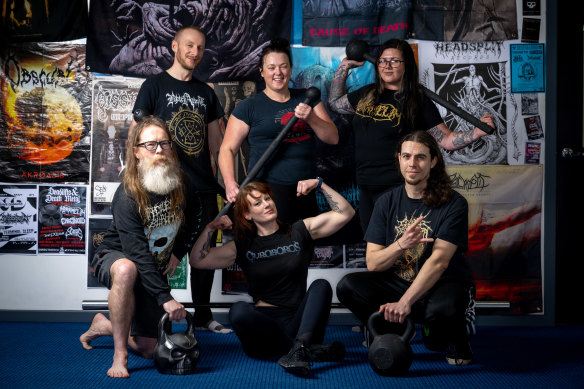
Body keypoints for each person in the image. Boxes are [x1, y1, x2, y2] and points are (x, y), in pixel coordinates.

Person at [336, 130, 477, 366]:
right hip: (400, 281)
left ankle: (457, 335)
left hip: (440, 284)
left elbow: (439, 261)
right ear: (399, 159)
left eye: (420, 157)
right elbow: (374, 263)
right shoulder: (386, 202)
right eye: (407, 156)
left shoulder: (454, 203)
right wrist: (402, 244)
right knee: (348, 286)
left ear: (433, 161)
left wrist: (405, 302)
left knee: (442, 323)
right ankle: (393, 328)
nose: (412, 163)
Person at [189, 178, 355, 377]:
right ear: (247, 214)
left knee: (321, 285)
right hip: (264, 332)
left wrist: (320, 184)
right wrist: (209, 229)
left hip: (301, 325)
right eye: (257, 203)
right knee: (239, 311)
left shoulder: (300, 231)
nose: (267, 204)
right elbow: (198, 261)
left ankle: (299, 348)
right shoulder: (243, 245)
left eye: (267, 199)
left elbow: (346, 213)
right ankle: (301, 350)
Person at [328, 38, 494, 233]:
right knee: (374, 248)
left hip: (399, 188)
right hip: (365, 185)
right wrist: (344, 67)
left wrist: (476, 133)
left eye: (395, 61)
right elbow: (335, 103)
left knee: (401, 250)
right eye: (383, 60)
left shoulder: (417, 101)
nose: (387, 65)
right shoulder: (366, 94)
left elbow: (447, 140)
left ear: (406, 66)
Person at [131, 26, 230, 334]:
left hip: (202, 187)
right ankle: (152, 318)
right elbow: (139, 135)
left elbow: (219, 144)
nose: (194, 52)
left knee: (202, 254)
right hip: (165, 187)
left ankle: (202, 316)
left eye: (200, 47)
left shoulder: (206, 93)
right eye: (189, 45)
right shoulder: (154, 85)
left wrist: (229, 184)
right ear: (174, 46)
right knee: (159, 254)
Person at [79, 116, 191, 378]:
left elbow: (197, 216)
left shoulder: (182, 185)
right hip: (118, 257)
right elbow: (137, 252)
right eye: (151, 145)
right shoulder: (127, 194)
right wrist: (165, 297)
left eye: (164, 143)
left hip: (149, 267)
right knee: (128, 269)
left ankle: (104, 325)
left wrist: (178, 251)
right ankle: (120, 354)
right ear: (137, 151)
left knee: (149, 348)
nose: (160, 150)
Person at [219, 37, 339, 224]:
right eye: (271, 67)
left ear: (291, 69)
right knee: (271, 248)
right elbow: (227, 149)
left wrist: (311, 118)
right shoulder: (248, 107)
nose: (278, 72)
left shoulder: (308, 98)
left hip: (304, 188)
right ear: (261, 72)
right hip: (265, 192)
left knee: (303, 247)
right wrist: (229, 183)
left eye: (283, 66)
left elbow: (333, 138)